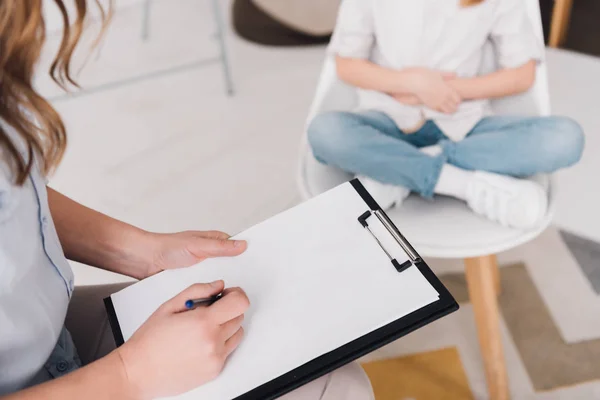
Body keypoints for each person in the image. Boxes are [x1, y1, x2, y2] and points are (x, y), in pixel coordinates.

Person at [0, 1, 373, 399]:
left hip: (52, 338)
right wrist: (132, 375)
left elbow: (16, 193)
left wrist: (139, 252)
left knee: (335, 377)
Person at [307, 0, 585, 230]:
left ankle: (398, 172)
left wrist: (447, 90)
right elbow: (347, 63)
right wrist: (411, 83)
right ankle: (460, 184)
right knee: (326, 133)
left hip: (463, 124)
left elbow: (522, 74)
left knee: (565, 139)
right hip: (387, 119)